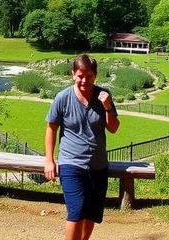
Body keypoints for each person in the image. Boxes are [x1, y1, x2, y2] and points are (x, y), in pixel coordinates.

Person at [45, 54, 120, 240]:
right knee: (76, 212)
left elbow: (113, 128)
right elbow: (51, 128)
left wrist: (108, 107)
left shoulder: (104, 96)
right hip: (71, 163)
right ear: (73, 74)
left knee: (91, 214)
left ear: (95, 76)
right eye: (80, 76)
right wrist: (49, 160)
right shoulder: (63, 98)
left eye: (89, 76)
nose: (84, 80)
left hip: (98, 165)